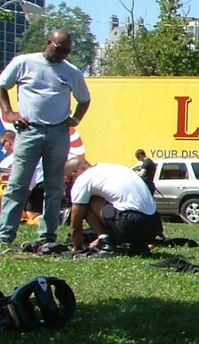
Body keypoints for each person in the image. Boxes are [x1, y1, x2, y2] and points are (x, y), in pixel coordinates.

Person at [0, 30, 91, 249]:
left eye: (67, 51)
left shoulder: (72, 72)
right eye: (59, 49)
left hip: (58, 132)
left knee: (54, 186)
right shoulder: (24, 62)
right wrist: (10, 112)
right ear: (48, 43)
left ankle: (48, 236)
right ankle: (5, 234)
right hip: (28, 129)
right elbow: (2, 85)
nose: (63, 55)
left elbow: (84, 99)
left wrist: (76, 118)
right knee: (18, 183)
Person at [64, 156, 163, 253]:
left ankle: (106, 241)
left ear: (74, 174)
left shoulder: (83, 179)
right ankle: (138, 244)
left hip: (130, 224)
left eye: (69, 181)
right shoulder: (114, 168)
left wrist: (77, 248)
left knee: (85, 201)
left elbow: (75, 224)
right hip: (155, 225)